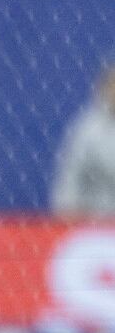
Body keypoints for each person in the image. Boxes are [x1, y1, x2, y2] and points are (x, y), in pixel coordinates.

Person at [52, 58, 115, 218]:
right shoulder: (87, 129)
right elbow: (70, 175)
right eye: (111, 85)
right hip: (93, 219)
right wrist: (67, 215)